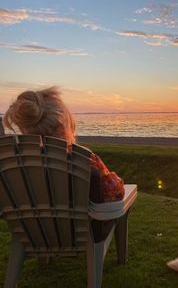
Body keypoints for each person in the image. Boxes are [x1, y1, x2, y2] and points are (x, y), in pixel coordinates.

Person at [3, 87, 125, 240]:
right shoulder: (85, 160)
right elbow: (115, 192)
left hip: (37, 232)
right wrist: (117, 182)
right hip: (87, 232)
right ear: (64, 126)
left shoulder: (15, 164)